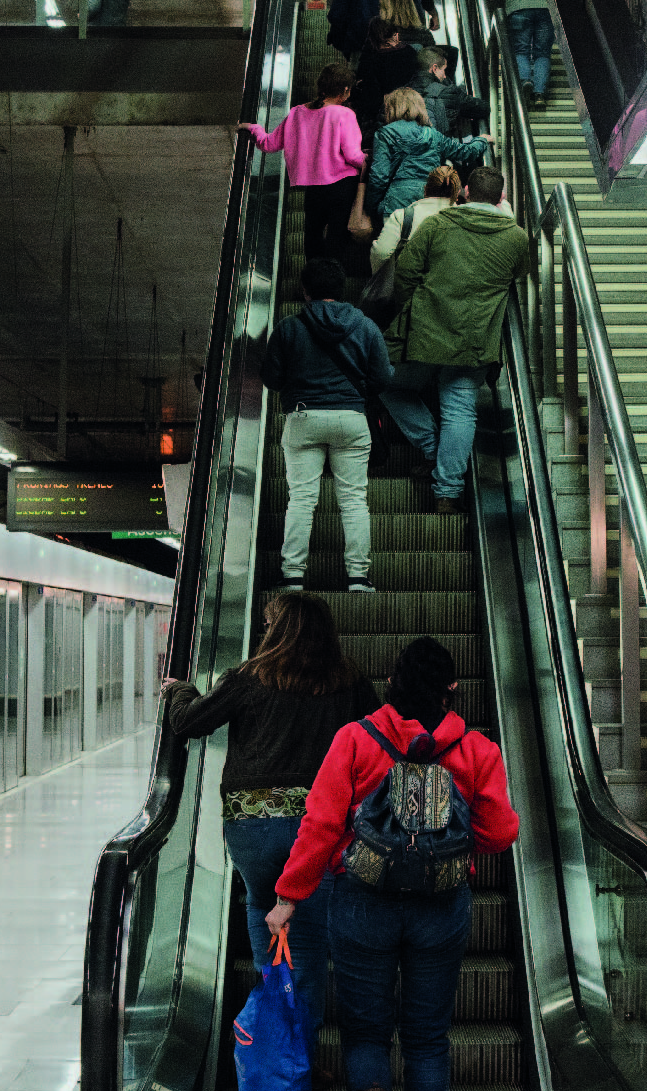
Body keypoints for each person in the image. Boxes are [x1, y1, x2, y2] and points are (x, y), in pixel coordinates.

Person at [266, 637, 519, 1091]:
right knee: (426, 1038)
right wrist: (451, 838)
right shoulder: (478, 750)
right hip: (442, 904)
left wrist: (289, 896)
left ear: (390, 684)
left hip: (363, 901)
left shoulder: (356, 739)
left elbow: (321, 824)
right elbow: (500, 834)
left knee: (365, 1036)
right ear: (453, 688)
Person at [164, 592, 381, 1036]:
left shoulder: (249, 678)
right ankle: (299, 1055)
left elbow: (188, 723)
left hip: (252, 825)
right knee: (309, 940)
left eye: (267, 624)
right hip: (319, 828)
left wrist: (180, 690)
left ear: (276, 630)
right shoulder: (351, 681)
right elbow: (379, 739)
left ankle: (276, 1047)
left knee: (264, 906)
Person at [381, 166, 531, 514]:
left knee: (387, 383)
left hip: (425, 330)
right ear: (502, 198)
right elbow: (521, 272)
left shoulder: (437, 225)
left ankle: (432, 447)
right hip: (476, 338)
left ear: (464, 191)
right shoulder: (515, 236)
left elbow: (405, 273)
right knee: (460, 410)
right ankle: (447, 493)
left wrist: (412, 309)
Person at [262, 258, 393, 592]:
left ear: (305, 292)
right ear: (342, 288)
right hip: (351, 418)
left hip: (304, 417)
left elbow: (271, 378)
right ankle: (358, 578)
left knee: (302, 499)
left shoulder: (288, 327)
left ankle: (292, 577)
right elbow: (383, 377)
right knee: (353, 500)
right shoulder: (364, 325)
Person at [244, 64, 368, 270]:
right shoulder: (344, 114)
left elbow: (269, 144)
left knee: (312, 236)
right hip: (342, 186)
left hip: (313, 188)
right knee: (336, 237)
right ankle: (331, 284)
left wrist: (253, 128)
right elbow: (353, 156)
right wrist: (371, 160)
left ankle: (313, 281)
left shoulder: (296, 113)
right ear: (345, 90)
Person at [367, 89, 490, 220]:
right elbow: (464, 152)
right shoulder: (433, 134)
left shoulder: (385, 134)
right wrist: (481, 140)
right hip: (430, 199)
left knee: (398, 238)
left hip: (397, 202)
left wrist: (371, 207)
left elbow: (379, 177)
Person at [371, 165, 464, 275]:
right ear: (456, 193)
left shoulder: (403, 217)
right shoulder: (465, 220)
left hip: (407, 286)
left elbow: (381, 252)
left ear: (425, 189)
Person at [488, 0, 554, 106]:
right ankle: (540, 94)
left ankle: (525, 82)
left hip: (519, 7)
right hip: (546, 7)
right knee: (543, 53)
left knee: (520, 50)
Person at [352, 20, 423, 139]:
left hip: (384, 114)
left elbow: (369, 96)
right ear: (395, 35)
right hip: (412, 107)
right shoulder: (410, 52)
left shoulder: (371, 61)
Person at [408, 48, 483, 139]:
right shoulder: (446, 92)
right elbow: (480, 108)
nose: (444, 76)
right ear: (434, 68)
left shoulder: (402, 93)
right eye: (444, 70)